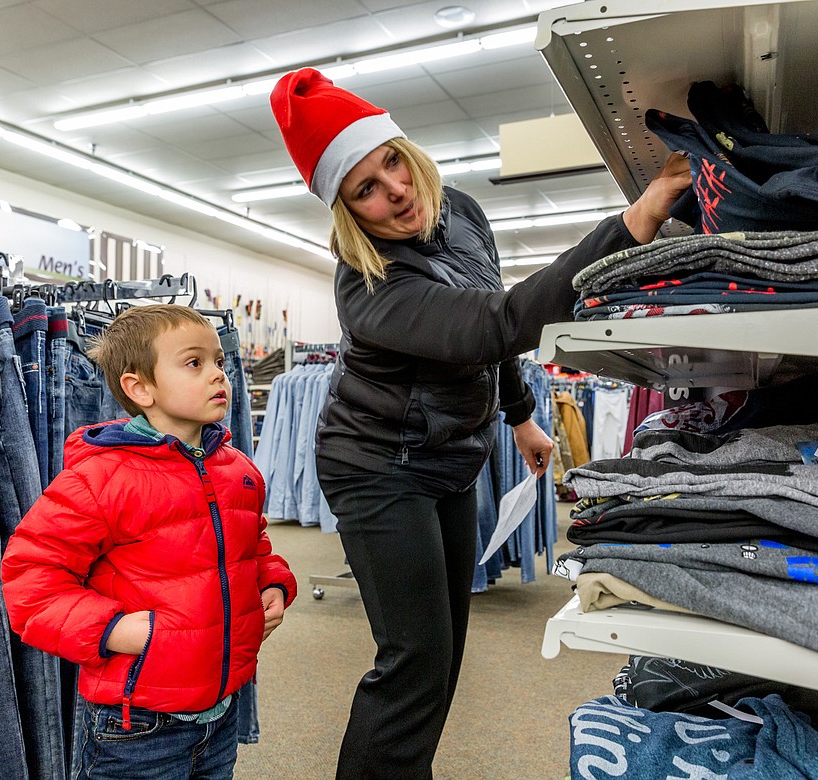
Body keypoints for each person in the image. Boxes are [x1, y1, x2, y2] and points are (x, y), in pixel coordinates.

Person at [270, 68, 692, 779]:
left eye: (392, 164)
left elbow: (488, 323)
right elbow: (496, 323)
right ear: (346, 211)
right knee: (413, 662)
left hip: (450, 461)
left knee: (444, 655)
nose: (395, 192)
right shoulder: (370, 286)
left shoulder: (461, 209)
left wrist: (523, 416)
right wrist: (630, 224)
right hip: (375, 466)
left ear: (407, 150)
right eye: (365, 189)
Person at [0, 304, 296, 779]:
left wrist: (274, 585)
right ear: (140, 388)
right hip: (137, 724)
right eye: (194, 363)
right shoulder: (101, 478)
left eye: (219, 361)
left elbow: (252, 546)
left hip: (221, 711)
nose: (219, 375)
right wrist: (113, 630)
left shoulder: (237, 469)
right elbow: (29, 580)